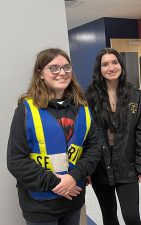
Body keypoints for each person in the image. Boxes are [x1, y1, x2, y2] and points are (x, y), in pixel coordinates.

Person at [7, 48, 101, 225]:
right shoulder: (26, 110)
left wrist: (74, 177)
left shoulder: (83, 108)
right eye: (54, 68)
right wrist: (57, 183)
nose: (62, 73)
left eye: (66, 67)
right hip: (40, 207)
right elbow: (16, 161)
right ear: (40, 73)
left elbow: (94, 148)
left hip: (73, 200)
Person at [85, 48, 141, 225]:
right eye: (105, 64)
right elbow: (84, 134)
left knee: (131, 216)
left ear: (121, 65)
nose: (111, 67)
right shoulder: (89, 97)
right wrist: (87, 168)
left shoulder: (135, 96)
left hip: (127, 163)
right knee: (109, 216)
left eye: (114, 62)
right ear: (99, 69)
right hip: (100, 165)